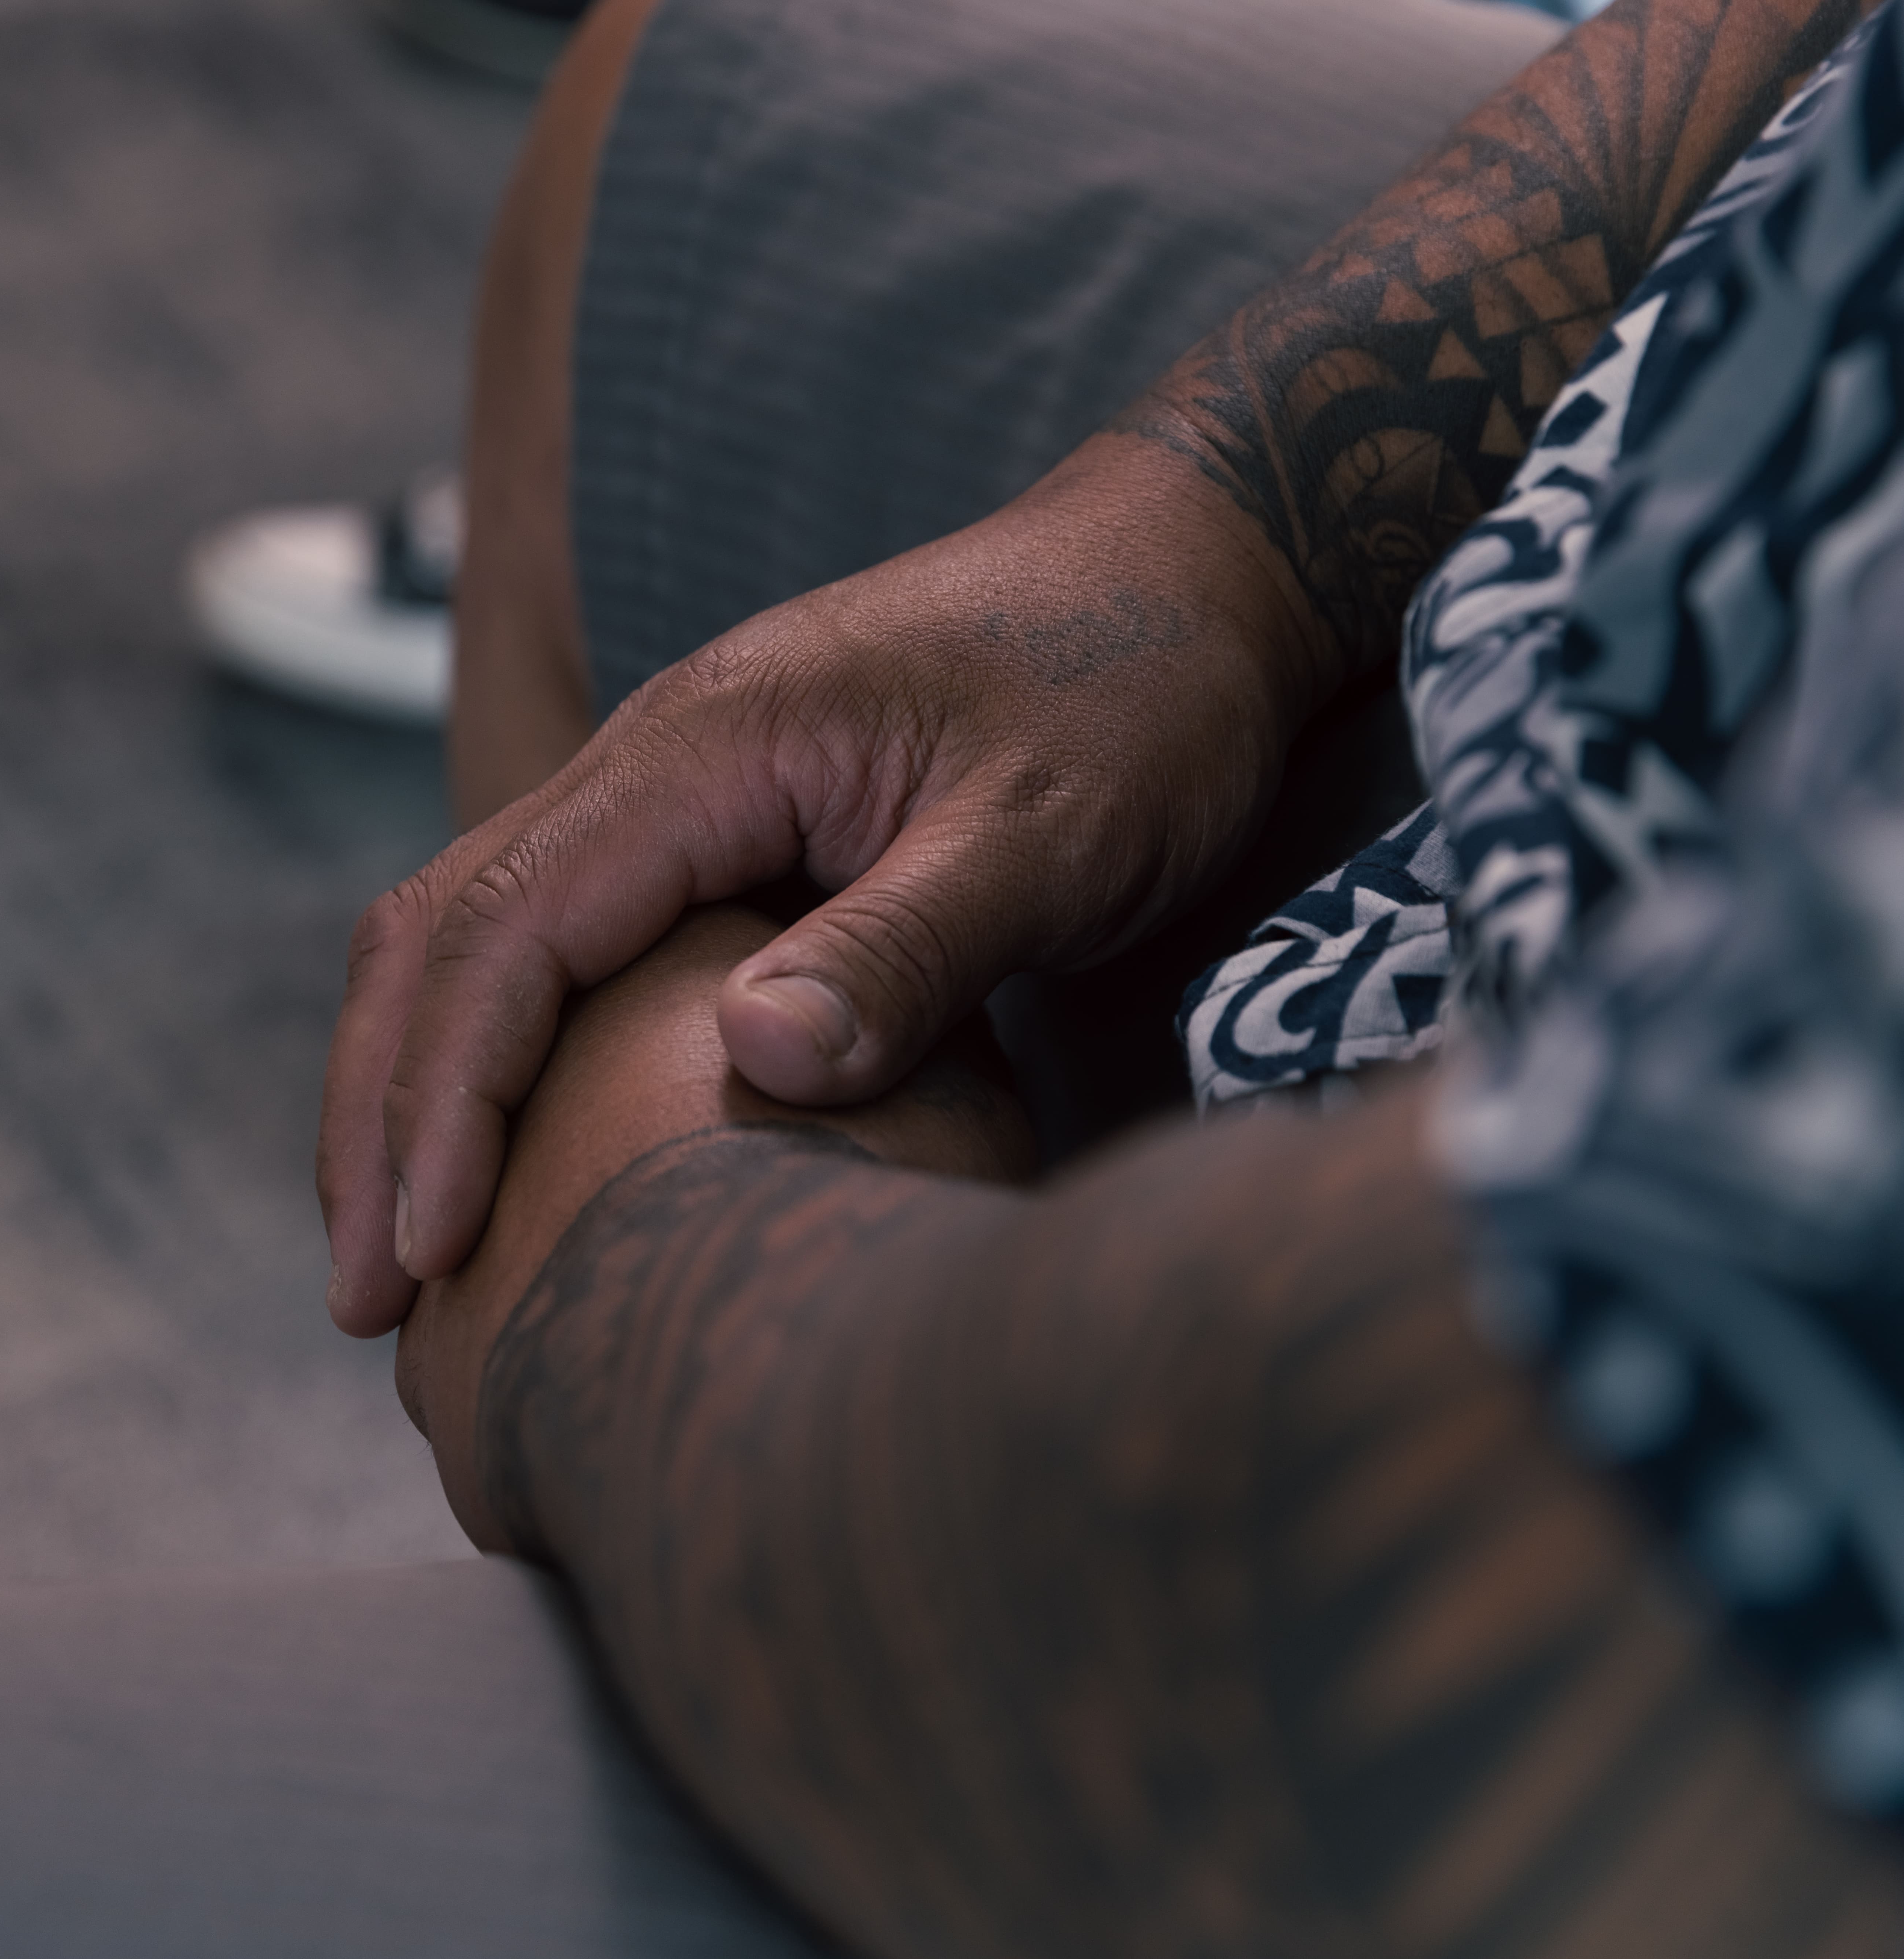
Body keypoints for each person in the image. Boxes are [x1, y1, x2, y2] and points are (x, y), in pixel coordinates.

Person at [335, 0, 1904, 1949]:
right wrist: (1210, 519)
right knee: (674, 98)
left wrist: (640, 1233)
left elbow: (1445, 1601)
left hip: (1470, 1596)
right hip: (1697, 564)